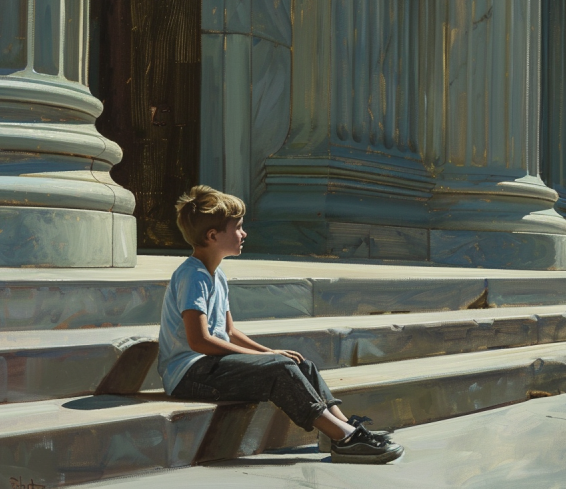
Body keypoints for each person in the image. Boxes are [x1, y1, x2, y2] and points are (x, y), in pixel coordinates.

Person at [156, 185, 403, 464]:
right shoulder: (193, 276)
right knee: (280, 368)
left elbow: (230, 332)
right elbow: (199, 342)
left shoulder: (217, 275)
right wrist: (267, 358)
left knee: (300, 364)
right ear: (213, 236)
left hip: (210, 366)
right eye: (237, 227)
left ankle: (342, 430)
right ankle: (345, 439)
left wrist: (270, 351)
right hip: (190, 375)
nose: (243, 233)